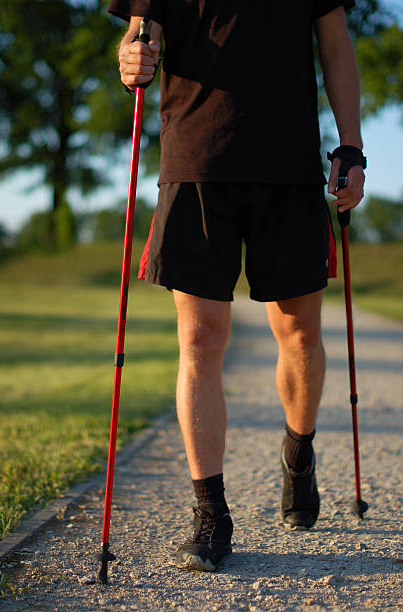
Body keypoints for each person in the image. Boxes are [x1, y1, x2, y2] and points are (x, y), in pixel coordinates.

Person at [108, 0, 366, 572]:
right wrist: (131, 60)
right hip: (194, 159)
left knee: (299, 336)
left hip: (289, 164)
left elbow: (335, 44)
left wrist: (350, 146)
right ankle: (210, 513)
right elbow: (137, 38)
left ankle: (298, 455)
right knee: (199, 340)